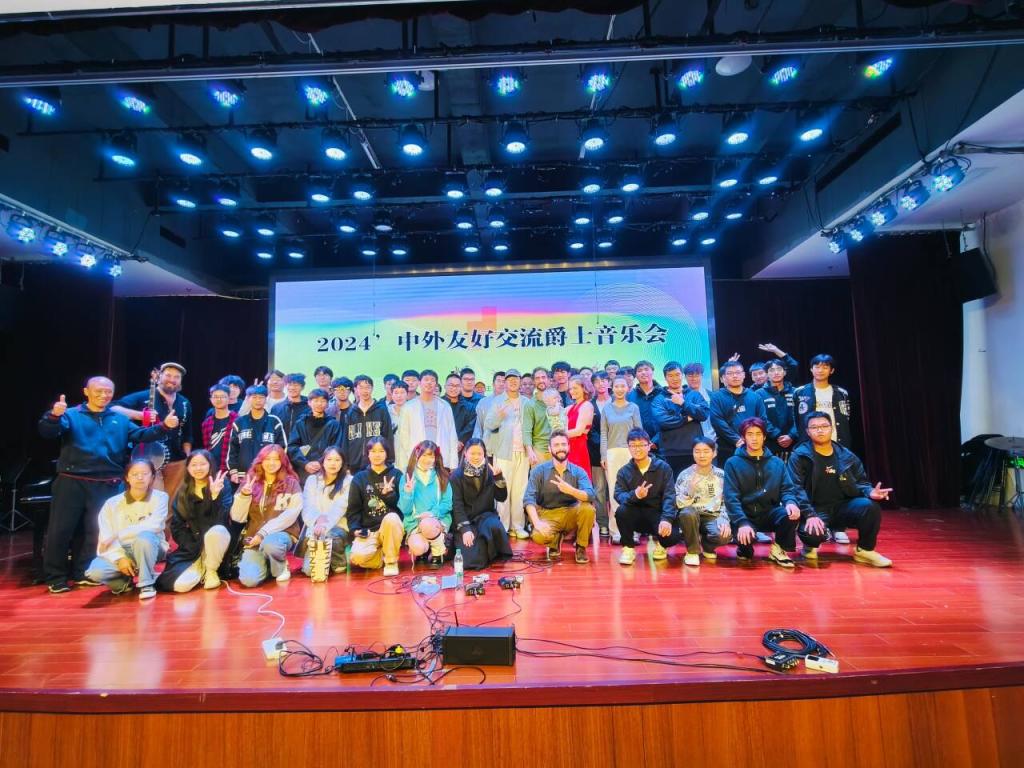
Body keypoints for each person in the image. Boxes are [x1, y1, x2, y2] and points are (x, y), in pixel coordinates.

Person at [39, 376, 175, 594]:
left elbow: (141, 434)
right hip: (72, 480)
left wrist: (164, 427)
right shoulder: (71, 414)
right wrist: (54, 416)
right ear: (86, 391)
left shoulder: (118, 418)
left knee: (95, 531)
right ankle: (56, 577)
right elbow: (48, 432)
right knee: (61, 530)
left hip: (107, 483)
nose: (103, 395)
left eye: (108, 392)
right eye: (98, 391)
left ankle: (82, 572)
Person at [788, 412, 893, 567]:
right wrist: (809, 514)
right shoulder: (799, 456)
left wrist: (870, 492)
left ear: (832, 428)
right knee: (812, 534)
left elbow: (861, 482)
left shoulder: (846, 455)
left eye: (824, 426)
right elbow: (795, 488)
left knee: (870, 507)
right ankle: (809, 547)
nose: (820, 430)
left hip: (842, 507)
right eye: (814, 427)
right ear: (808, 432)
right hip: (815, 510)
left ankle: (865, 551)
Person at [723, 418, 808, 568]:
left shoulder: (777, 463)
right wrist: (742, 522)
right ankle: (744, 548)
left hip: (769, 512)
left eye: (758, 434)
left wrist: (790, 502)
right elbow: (731, 498)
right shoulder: (732, 463)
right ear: (743, 437)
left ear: (764, 437)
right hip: (744, 514)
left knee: (791, 513)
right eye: (750, 434)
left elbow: (787, 489)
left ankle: (779, 549)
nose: (754, 438)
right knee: (746, 553)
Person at [83, 459, 169, 599]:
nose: (140, 477)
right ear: (127, 478)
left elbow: (154, 525)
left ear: (152, 477)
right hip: (122, 548)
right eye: (135, 474)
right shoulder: (111, 504)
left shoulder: (160, 497)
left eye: (145, 473)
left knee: (144, 538)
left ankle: (146, 583)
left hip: (150, 546)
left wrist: (119, 534)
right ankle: (123, 583)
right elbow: (106, 537)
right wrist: (120, 558)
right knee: (95, 571)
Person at [156, 449, 237, 592]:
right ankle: (201, 567)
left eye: (202, 464)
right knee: (180, 586)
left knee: (217, 531)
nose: (198, 468)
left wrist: (214, 496)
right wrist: (194, 545)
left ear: (210, 465)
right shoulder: (184, 490)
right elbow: (177, 526)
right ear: (187, 468)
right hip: (193, 546)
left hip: (218, 542)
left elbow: (222, 519)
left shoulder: (222, 485)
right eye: (194, 465)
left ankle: (211, 571)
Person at [113, 361, 193, 499]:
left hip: (177, 461)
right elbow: (113, 409)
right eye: (168, 375)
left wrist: (187, 457)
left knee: (173, 503)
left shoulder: (184, 402)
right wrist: (140, 415)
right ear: (159, 376)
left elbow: (188, 433)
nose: (172, 380)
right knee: (154, 501)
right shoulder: (143, 396)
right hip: (149, 460)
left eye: (177, 377)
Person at [230, 444, 303, 587]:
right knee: (249, 581)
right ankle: (269, 564)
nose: (271, 463)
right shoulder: (250, 482)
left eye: (276, 459)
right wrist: (244, 496)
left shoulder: (292, 483)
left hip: (281, 535)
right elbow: (237, 517)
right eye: (267, 459)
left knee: (271, 544)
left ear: (282, 462)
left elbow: (291, 514)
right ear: (260, 461)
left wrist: (263, 533)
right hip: (254, 539)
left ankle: (280, 567)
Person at [613, 429, 684, 566]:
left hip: (657, 514)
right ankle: (628, 548)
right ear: (628, 447)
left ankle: (662, 545)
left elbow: (670, 495)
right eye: (633, 445)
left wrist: (667, 519)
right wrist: (635, 495)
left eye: (641, 445)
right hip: (635, 514)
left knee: (672, 537)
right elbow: (618, 495)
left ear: (649, 446)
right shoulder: (624, 471)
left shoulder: (663, 468)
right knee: (621, 511)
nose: (637, 449)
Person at [523, 430, 597, 563]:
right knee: (538, 536)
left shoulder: (578, 471)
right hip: (548, 514)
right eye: (556, 445)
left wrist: (571, 490)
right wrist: (537, 523)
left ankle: (581, 546)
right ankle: (555, 540)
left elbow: (590, 494)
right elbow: (528, 499)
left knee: (588, 509)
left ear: (569, 447)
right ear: (549, 448)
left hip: (571, 513)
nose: (560, 448)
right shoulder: (538, 471)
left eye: (563, 444)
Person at [451, 438, 513, 570]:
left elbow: (501, 497)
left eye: (479, 453)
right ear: (465, 453)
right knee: (470, 561)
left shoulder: (490, 472)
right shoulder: (456, 476)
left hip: (485, 517)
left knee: (495, 526)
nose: (476, 457)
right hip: (467, 520)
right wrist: (465, 529)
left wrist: (499, 478)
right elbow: (457, 506)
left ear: (484, 454)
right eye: (472, 453)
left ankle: (486, 549)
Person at [483, 369, 530, 538]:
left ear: (520, 381)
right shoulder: (497, 401)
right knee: (503, 490)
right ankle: (502, 527)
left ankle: (518, 526)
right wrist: (499, 416)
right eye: (509, 379)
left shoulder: (526, 402)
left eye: (515, 379)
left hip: (523, 452)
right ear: (505, 382)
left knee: (520, 491)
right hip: (503, 452)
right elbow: (488, 424)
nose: (513, 382)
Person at [347, 437, 405, 577]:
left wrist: (388, 495)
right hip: (370, 530)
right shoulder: (359, 478)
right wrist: (355, 529)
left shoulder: (396, 475)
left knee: (391, 518)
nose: (377, 455)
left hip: (390, 528)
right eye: (373, 451)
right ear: (367, 454)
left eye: (381, 451)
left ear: (387, 453)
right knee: (357, 558)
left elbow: (403, 507)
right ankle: (382, 556)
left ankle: (391, 561)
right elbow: (353, 509)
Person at [674, 437, 731, 563]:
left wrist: (724, 518)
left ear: (714, 453)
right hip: (691, 516)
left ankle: (707, 546)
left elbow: (728, 500)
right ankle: (692, 552)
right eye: (697, 451)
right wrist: (690, 490)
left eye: (706, 451)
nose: (702, 455)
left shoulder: (722, 475)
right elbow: (678, 504)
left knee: (724, 535)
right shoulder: (685, 475)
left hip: (713, 516)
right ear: (693, 453)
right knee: (687, 513)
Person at [600, 375, 643, 544]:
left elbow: (639, 432)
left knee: (633, 490)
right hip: (612, 454)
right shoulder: (606, 409)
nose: (619, 389)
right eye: (616, 386)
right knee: (614, 491)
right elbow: (604, 434)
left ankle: (634, 530)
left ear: (628, 388)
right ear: (612, 388)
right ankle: (616, 530)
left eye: (622, 386)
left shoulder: (634, 407)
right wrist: (603, 455)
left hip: (632, 453)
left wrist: (640, 453)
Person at [398, 440, 453, 567]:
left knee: (427, 524)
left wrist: (432, 514)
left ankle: (438, 551)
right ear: (417, 455)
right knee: (418, 548)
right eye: (424, 455)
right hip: (414, 522)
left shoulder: (441, 476)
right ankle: (425, 549)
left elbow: (447, 503)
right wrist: (407, 493)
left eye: (431, 456)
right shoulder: (407, 477)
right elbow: (405, 510)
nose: (428, 459)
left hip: (436, 521)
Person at [300, 446, 352, 577]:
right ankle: (326, 559)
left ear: (342, 463)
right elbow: (307, 507)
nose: (333, 463)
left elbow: (340, 507)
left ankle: (338, 561)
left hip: (339, 527)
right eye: (329, 459)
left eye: (337, 460)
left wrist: (324, 525)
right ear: (322, 461)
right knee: (310, 571)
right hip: (315, 528)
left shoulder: (349, 481)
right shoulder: (312, 480)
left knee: (329, 534)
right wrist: (317, 522)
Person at [652, 361, 710, 475]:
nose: (675, 378)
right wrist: (687, 418)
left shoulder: (694, 394)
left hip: (694, 449)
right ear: (665, 378)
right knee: (671, 484)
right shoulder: (659, 399)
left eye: (677, 374)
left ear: (682, 375)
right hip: (669, 451)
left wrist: (683, 403)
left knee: (695, 483)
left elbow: (703, 414)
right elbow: (663, 421)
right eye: (670, 375)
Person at [709, 361, 771, 465]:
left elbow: (762, 420)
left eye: (738, 372)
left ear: (744, 375)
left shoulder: (755, 396)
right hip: (727, 447)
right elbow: (717, 421)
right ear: (723, 378)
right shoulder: (717, 397)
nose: (735, 376)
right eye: (730, 373)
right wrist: (736, 440)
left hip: (753, 446)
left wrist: (752, 439)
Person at [396, 369, 459, 470]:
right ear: (419, 383)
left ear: (436, 384)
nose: (429, 382)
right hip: (417, 458)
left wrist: (453, 464)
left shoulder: (445, 406)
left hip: (440, 458)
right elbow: (404, 437)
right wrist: (406, 463)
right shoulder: (408, 407)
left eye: (432, 380)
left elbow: (452, 435)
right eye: (426, 379)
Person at [227, 384, 287, 483]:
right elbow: (233, 449)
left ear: (266, 399)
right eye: (254, 397)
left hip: (268, 473)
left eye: (261, 397)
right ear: (248, 399)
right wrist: (233, 471)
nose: (258, 400)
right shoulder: (239, 422)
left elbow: (282, 448)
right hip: (243, 475)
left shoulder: (274, 421)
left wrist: (277, 468)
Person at [793, 354, 853, 447]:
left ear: (831, 371)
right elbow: (794, 418)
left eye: (825, 367)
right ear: (811, 369)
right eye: (817, 367)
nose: (820, 370)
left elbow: (846, 418)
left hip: (837, 442)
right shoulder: (799, 392)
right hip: (808, 444)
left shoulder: (841, 393)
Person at [287, 388, 342, 483]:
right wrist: (305, 464)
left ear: (327, 404)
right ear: (309, 403)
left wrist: (321, 463)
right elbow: (292, 447)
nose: (319, 404)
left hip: (327, 470)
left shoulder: (334, 424)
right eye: (316, 400)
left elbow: (336, 447)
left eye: (323, 401)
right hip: (303, 471)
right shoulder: (301, 423)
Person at [342, 374, 393, 472]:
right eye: (361, 387)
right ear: (355, 389)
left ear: (372, 388)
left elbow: (388, 436)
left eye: (368, 387)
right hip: (354, 462)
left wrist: (389, 460)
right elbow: (345, 439)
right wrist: (345, 463)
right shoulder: (350, 412)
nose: (365, 391)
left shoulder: (381, 410)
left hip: (377, 462)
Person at [758, 359, 797, 460]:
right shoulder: (759, 394)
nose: (776, 372)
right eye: (772, 370)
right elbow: (761, 418)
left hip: (794, 442)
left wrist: (791, 435)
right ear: (767, 374)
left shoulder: (795, 392)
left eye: (779, 369)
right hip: (769, 443)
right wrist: (777, 435)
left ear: (785, 372)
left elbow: (801, 416)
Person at [589, 371, 611, 539]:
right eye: (597, 381)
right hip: (596, 454)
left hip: (617, 451)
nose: (601, 384)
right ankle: (603, 523)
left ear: (609, 382)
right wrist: (602, 446)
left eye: (604, 380)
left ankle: (620, 523)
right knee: (600, 490)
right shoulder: (590, 405)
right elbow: (591, 431)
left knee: (618, 488)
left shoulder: (619, 402)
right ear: (593, 385)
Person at [201, 383, 238, 476]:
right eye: (215, 397)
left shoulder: (238, 420)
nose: (219, 399)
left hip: (232, 471)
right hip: (212, 470)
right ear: (211, 399)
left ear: (229, 399)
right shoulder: (206, 423)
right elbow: (207, 448)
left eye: (222, 396)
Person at [627, 360, 662, 449]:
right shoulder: (629, 397)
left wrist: (655, 441)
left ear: (652, 372)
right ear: (636, 375)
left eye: (646, 369)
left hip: (663, 444)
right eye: (639, 371)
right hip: (638, 445)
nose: (643, 372)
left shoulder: (663, 394)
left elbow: (669, 420)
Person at [565, 376, 595, 479]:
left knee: (578, 480)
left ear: (584, 388)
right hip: (567, 448)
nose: (572, 391)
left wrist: (559, 435)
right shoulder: (570, 407)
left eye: (575, 388)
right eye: (570, 389)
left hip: (578, 448)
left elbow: (578, 431)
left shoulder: (587, 405)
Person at [523, 367, 553, 466]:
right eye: (537, 378)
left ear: (549, 380)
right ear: (534, 382)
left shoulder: (557, 400)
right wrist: (530, 451)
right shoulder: (530, 404)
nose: (541, 380)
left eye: (543, 377)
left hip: (557, 449)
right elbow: (526, 430)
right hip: (539, 451)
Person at [271, 373, 311, 439]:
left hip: (303, 445)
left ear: (302, 387)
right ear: (285, 386)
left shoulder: (310, 407)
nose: (292, 388)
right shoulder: (277, 408)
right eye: (289, 384)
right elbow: (272, 429)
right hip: (281, 445)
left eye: (296, 385)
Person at [683, 363, 716, 441]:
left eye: (697, 375)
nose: (694, 379)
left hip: (711, 439)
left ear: (702, 376)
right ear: (685, 377)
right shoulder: (681, 396)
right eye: (690, 376)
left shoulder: (711, 395)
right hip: (688, 439)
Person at [444, 372, 477, 452]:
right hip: (442, 444)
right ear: (445, 386)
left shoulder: (470, 407)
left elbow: (470, 427)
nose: (454, 388)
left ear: (461, 387)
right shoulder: (439, 404)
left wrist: (460, 440)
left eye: (457, 386)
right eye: (451, 385)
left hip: (462, 447)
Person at [473, 371, 506, 446]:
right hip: (487, 445)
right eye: (499, 381)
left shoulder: (513, 402)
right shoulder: (483, 402)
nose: (501, 384)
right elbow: (478, 427)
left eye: (504, 381)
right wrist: (478, 446)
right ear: (493, 384)